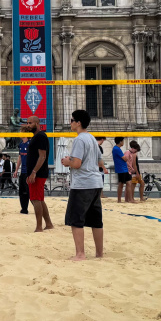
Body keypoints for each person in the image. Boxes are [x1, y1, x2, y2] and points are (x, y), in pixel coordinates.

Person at [60, 110, 105, 261]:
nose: (70, 123)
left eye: (72, 120)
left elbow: (77, 164)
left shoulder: (80, 139)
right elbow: (100, 162)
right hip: (96, 182)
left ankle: (80, 254)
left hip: (83, 184)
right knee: (96, 220)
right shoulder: (92, 138)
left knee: (76, 219)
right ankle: (99, 253)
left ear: (78, 123)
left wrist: (68, 161)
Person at [25, 115, 53, 232]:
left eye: (30, 123)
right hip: (37, 173)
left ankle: (39, 227)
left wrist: (34, 172)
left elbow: (42, 156)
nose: (28, 125)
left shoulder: (40, 136)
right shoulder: (36, 137)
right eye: (27, 123)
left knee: (35, 199)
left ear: (37, 124)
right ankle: (49, 224)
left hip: (38, 173)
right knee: (40, 199)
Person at [112, 137, 134, 204]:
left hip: (124, 168)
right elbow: (125, 159)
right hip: (121, 169)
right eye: (122, 141)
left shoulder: (118, 149)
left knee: (129, 183)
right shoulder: (116, 149)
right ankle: (119, 200)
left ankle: (129, 199)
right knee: (121, 184)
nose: (123, 142)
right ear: (120, 141)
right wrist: (127, 157)